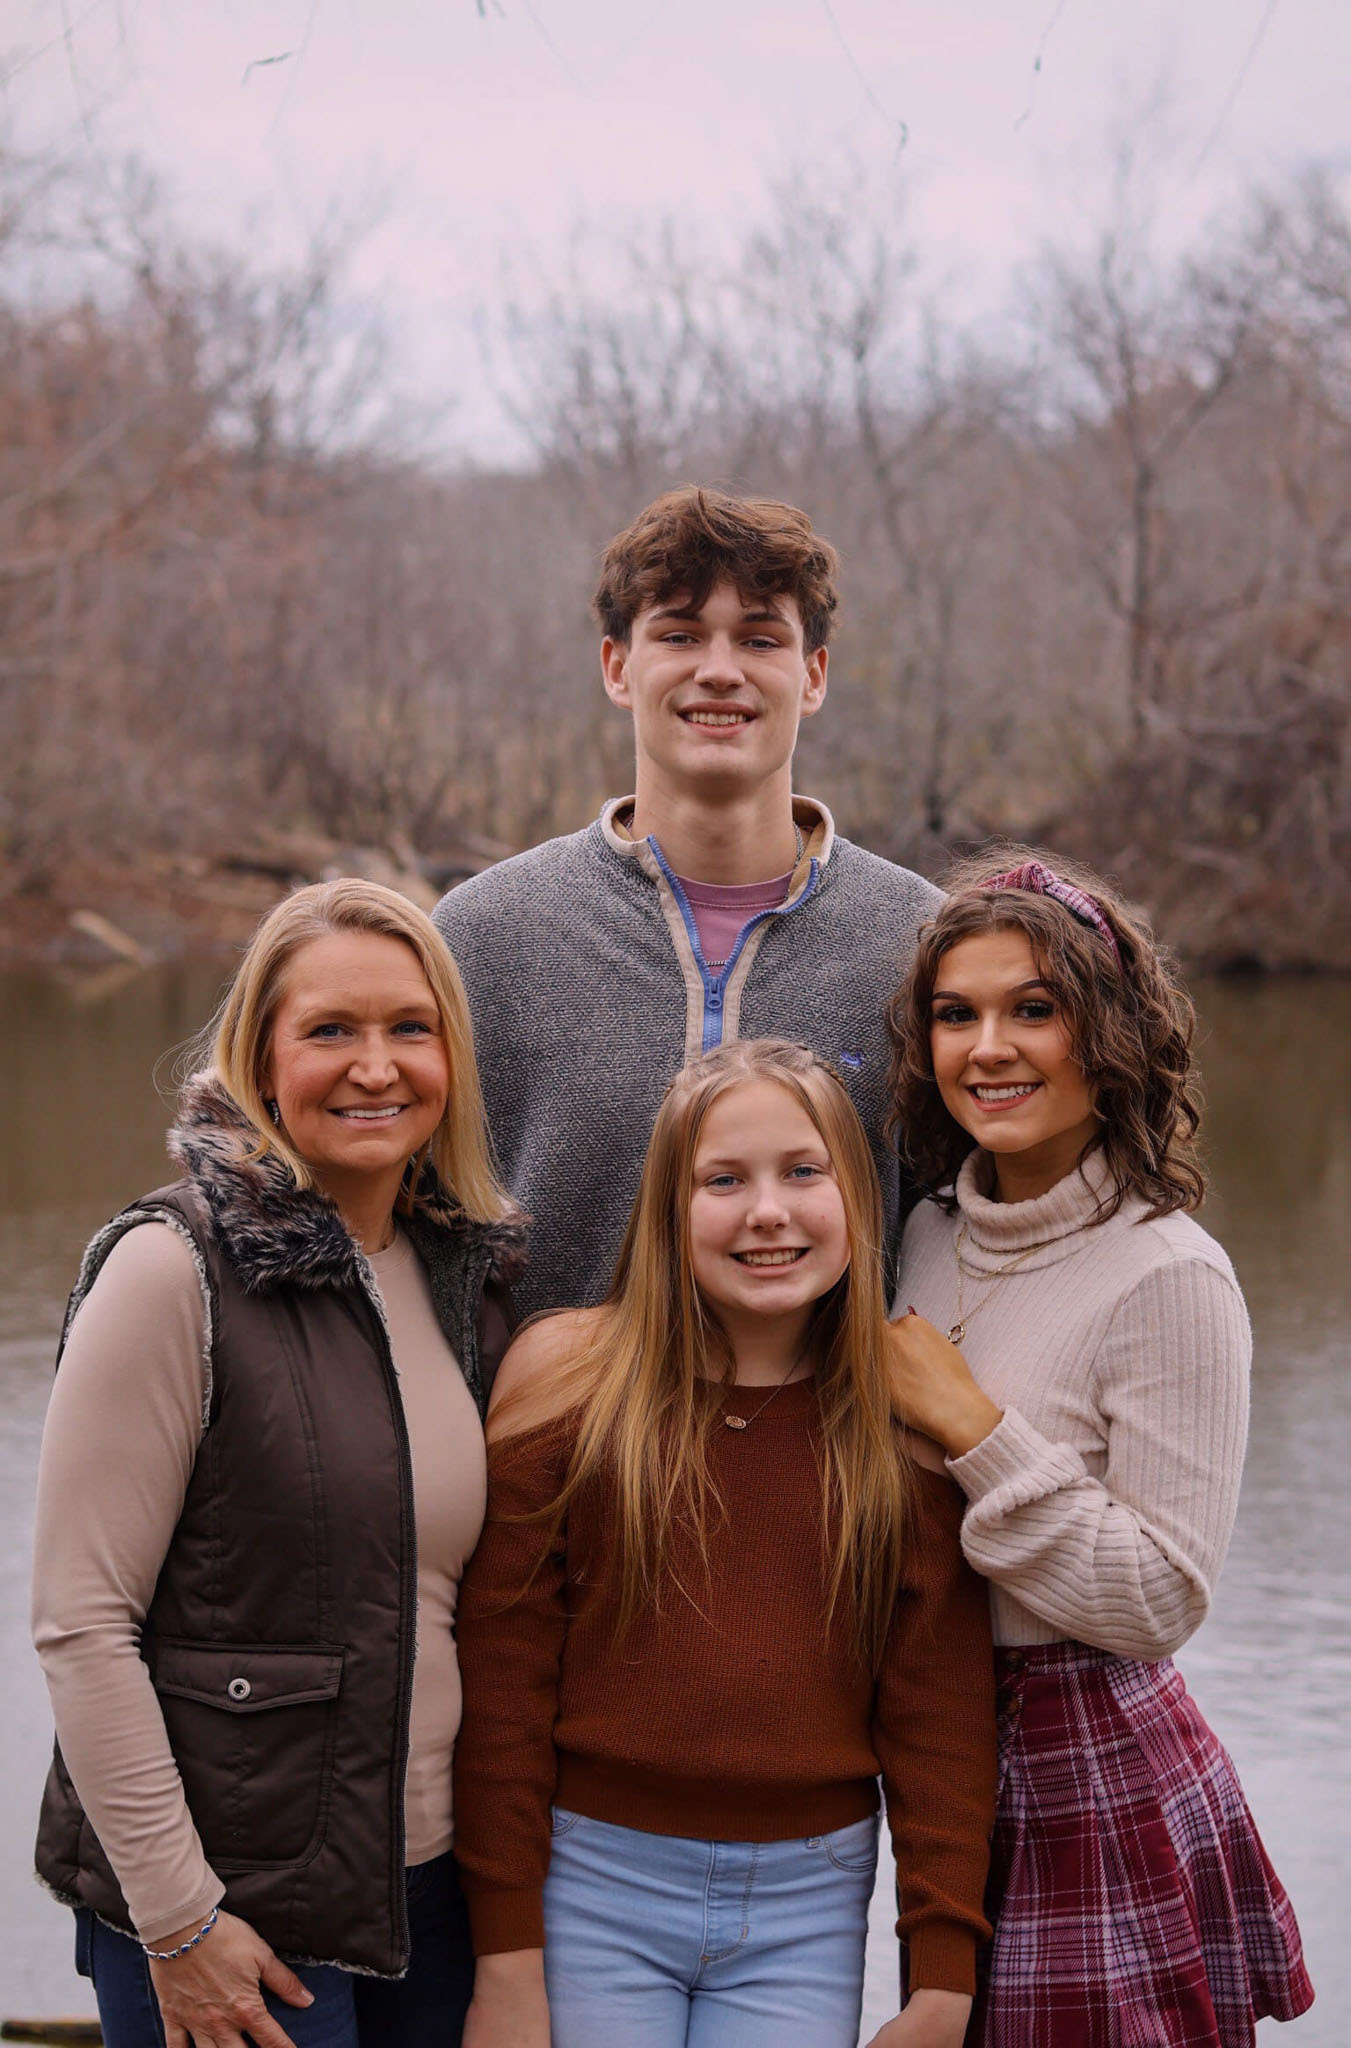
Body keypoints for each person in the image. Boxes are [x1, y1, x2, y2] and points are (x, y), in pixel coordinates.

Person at [32, 878, 524, 2048]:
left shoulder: (467, 1280)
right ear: (260, 1058)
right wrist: (178, 1919)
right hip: (232, 1908)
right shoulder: (173, 1270)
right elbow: (79, 1622)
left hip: (433, 1896)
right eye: (330, 1029)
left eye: (411, 1028)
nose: (375, 1066)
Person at [451, 1037, 998, 2048]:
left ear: (857, 1198)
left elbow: (941, 1715)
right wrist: (506, 1961)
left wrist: (941, 1978)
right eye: (723, 1180)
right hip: (592, 1879)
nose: (767, 1211)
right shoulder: (568, 1386)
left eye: (803, 1172)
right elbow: (501, 1687)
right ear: (668, 1208)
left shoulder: (900, 1426)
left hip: (807, 1900)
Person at [883, 852, 1314, 2047]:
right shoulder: (925, 1231)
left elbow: (1158, 1595)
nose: (988, 1048)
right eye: (956, 1014)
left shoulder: (1166, 1274)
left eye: (1033, 1008)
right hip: (941, 1754)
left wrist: (974, 1427)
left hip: (1088, 1765)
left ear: (1110, 1032)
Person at [433, 485, 941, 1319]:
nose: (719, 670)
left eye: (759, 639)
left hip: (837, 1411)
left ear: (812, 676)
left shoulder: (919, 942)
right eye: (678, 634)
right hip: (549, 1408)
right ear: (617, 668)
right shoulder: (481, 937)